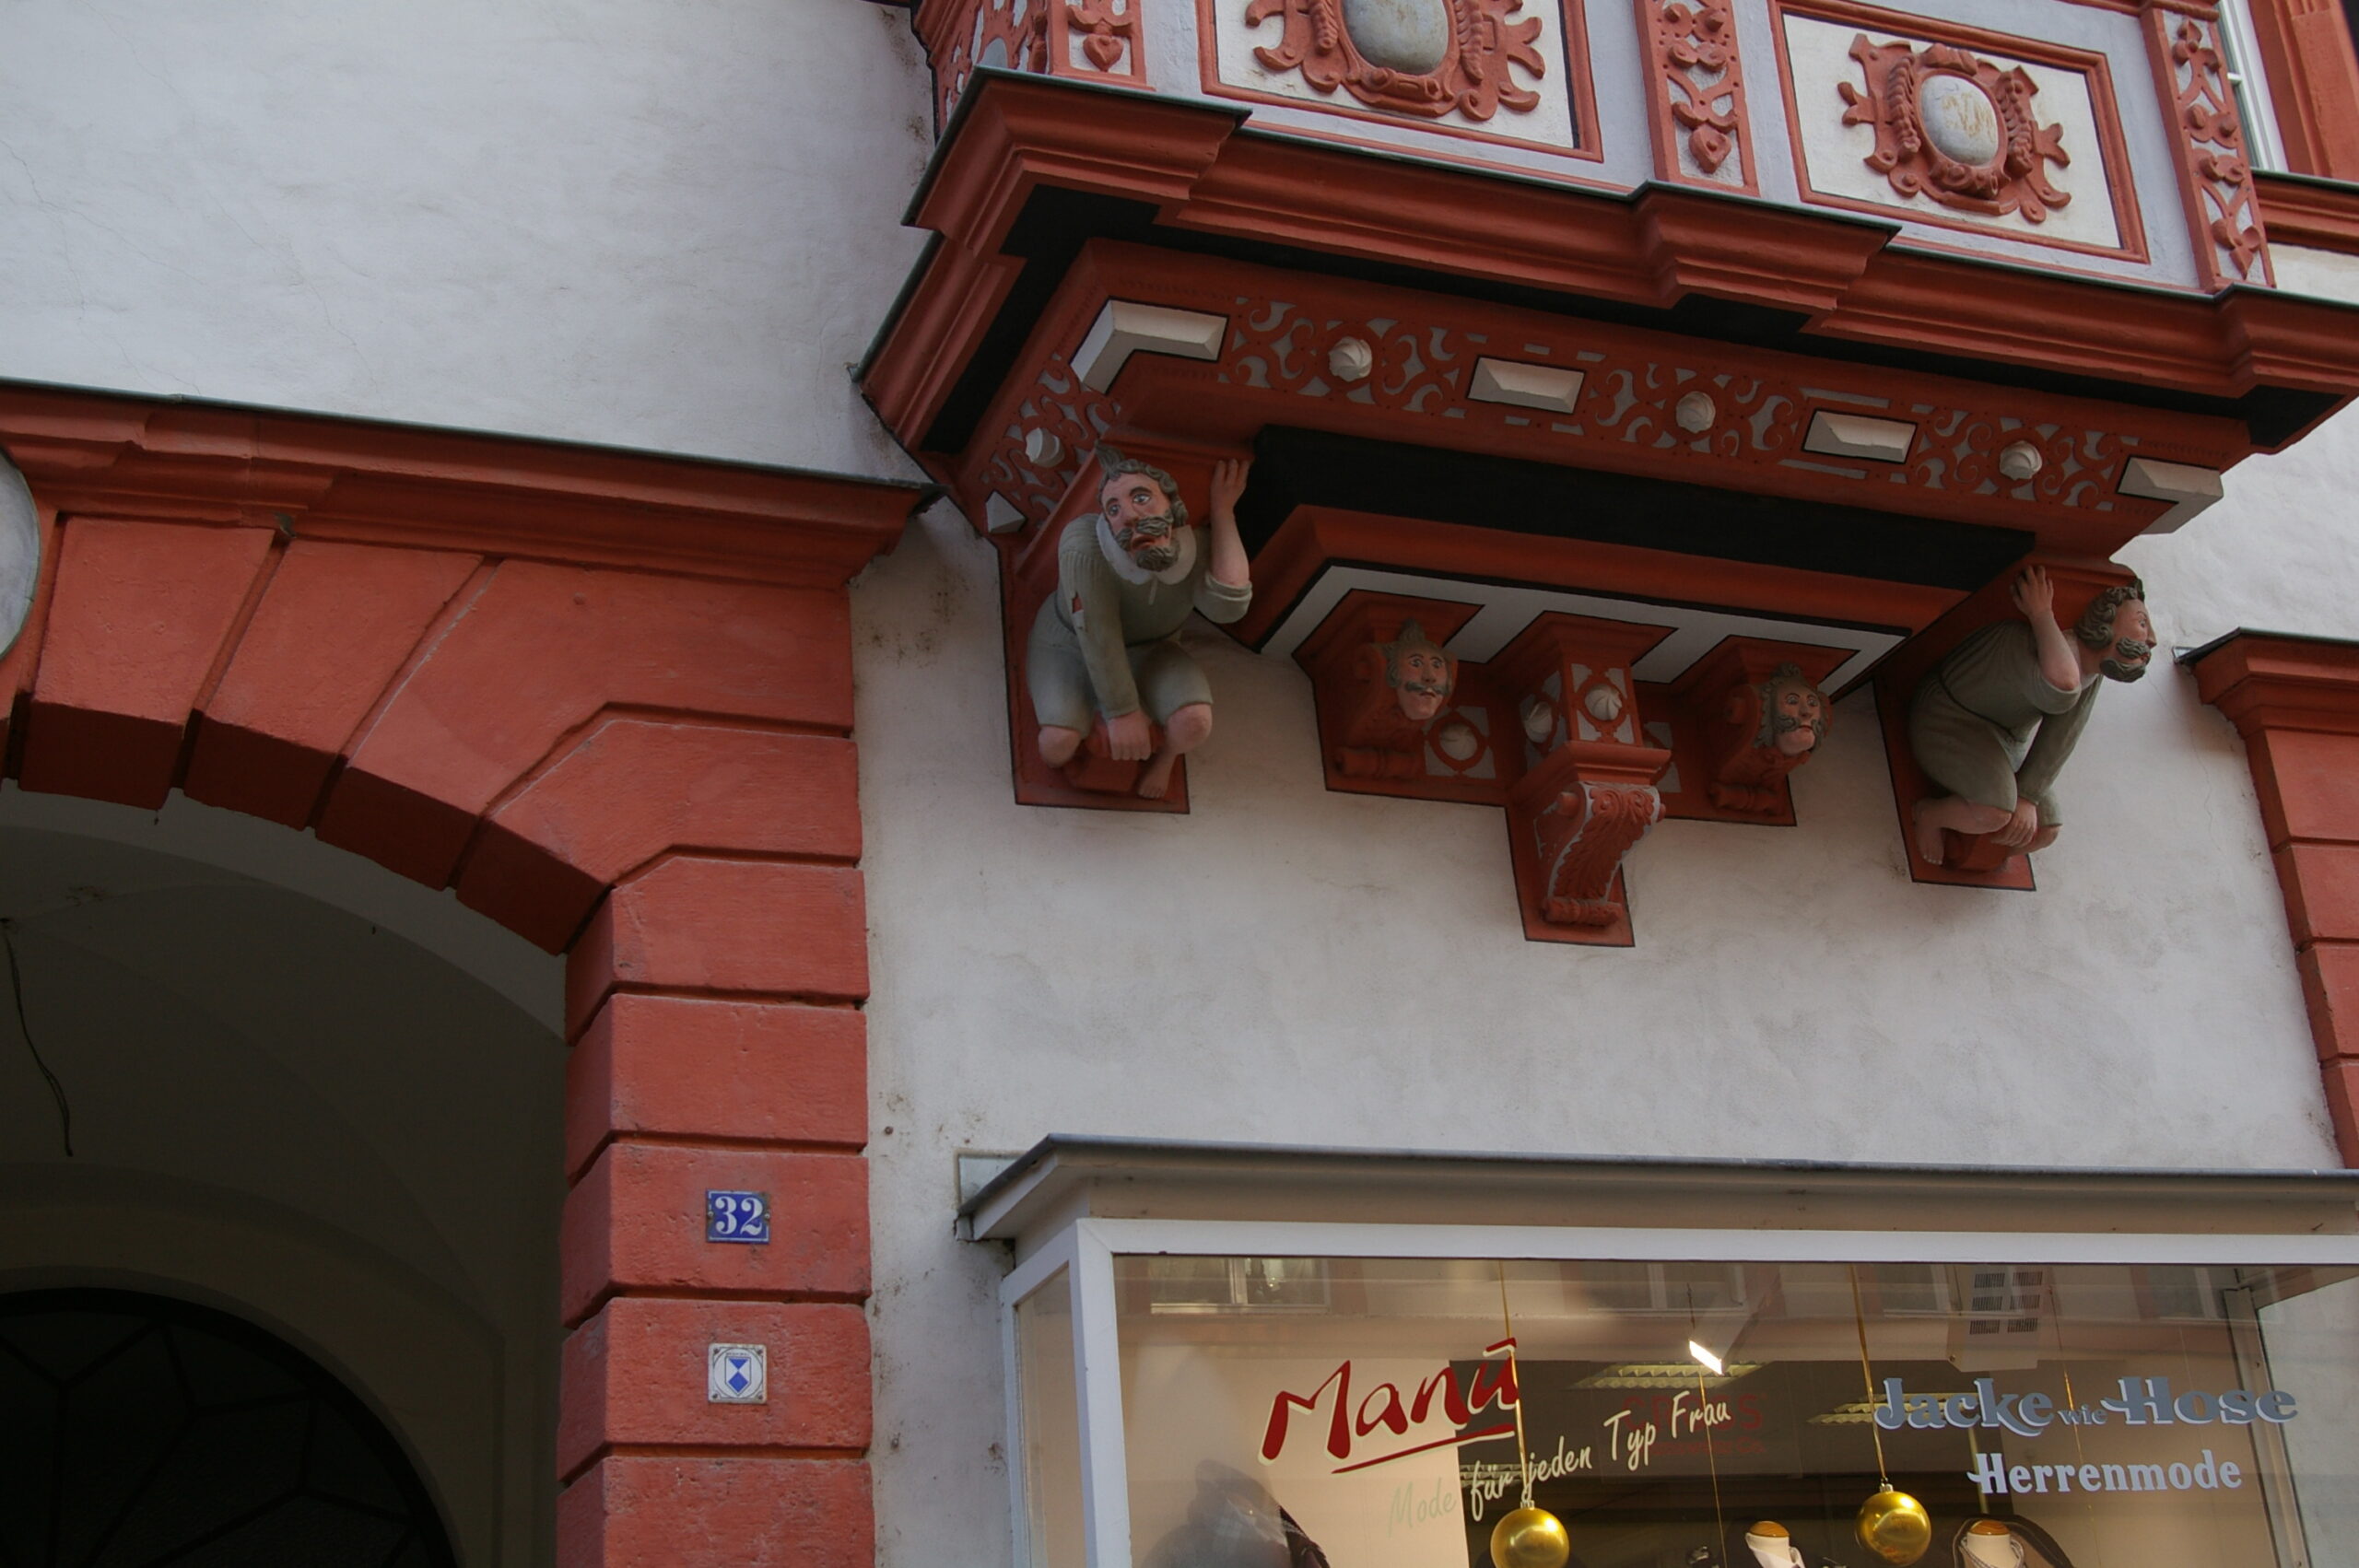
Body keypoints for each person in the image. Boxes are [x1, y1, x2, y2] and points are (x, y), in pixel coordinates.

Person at [1027, 449, 1252, 798]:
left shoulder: (1195, 547)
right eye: (1113, 509)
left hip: (1153, 649)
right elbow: (1097, 631)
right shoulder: (1084, 544)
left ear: (1172, 504)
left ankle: (1164, 759)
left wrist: (1223, 512)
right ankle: (1083, 740)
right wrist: (1122, 712)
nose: (1129, 516)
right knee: (1057, 743)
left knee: (1194, 722)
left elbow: (1229, 607)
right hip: (1070, 645)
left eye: (1142, 498)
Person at [1908, 567, 2153, 862]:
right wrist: (2041, 614)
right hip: (1948, 720)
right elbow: (2062, 688)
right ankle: (1929, 814)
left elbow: (2062, 737)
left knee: (2047, 829)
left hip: (2004, 742)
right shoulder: (2024, 645)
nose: (2151, 639)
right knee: (1994, 811)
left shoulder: (2090, 673)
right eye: (2142, 623)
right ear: (2106, 623)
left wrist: (2028, 796)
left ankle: (1990, 855)